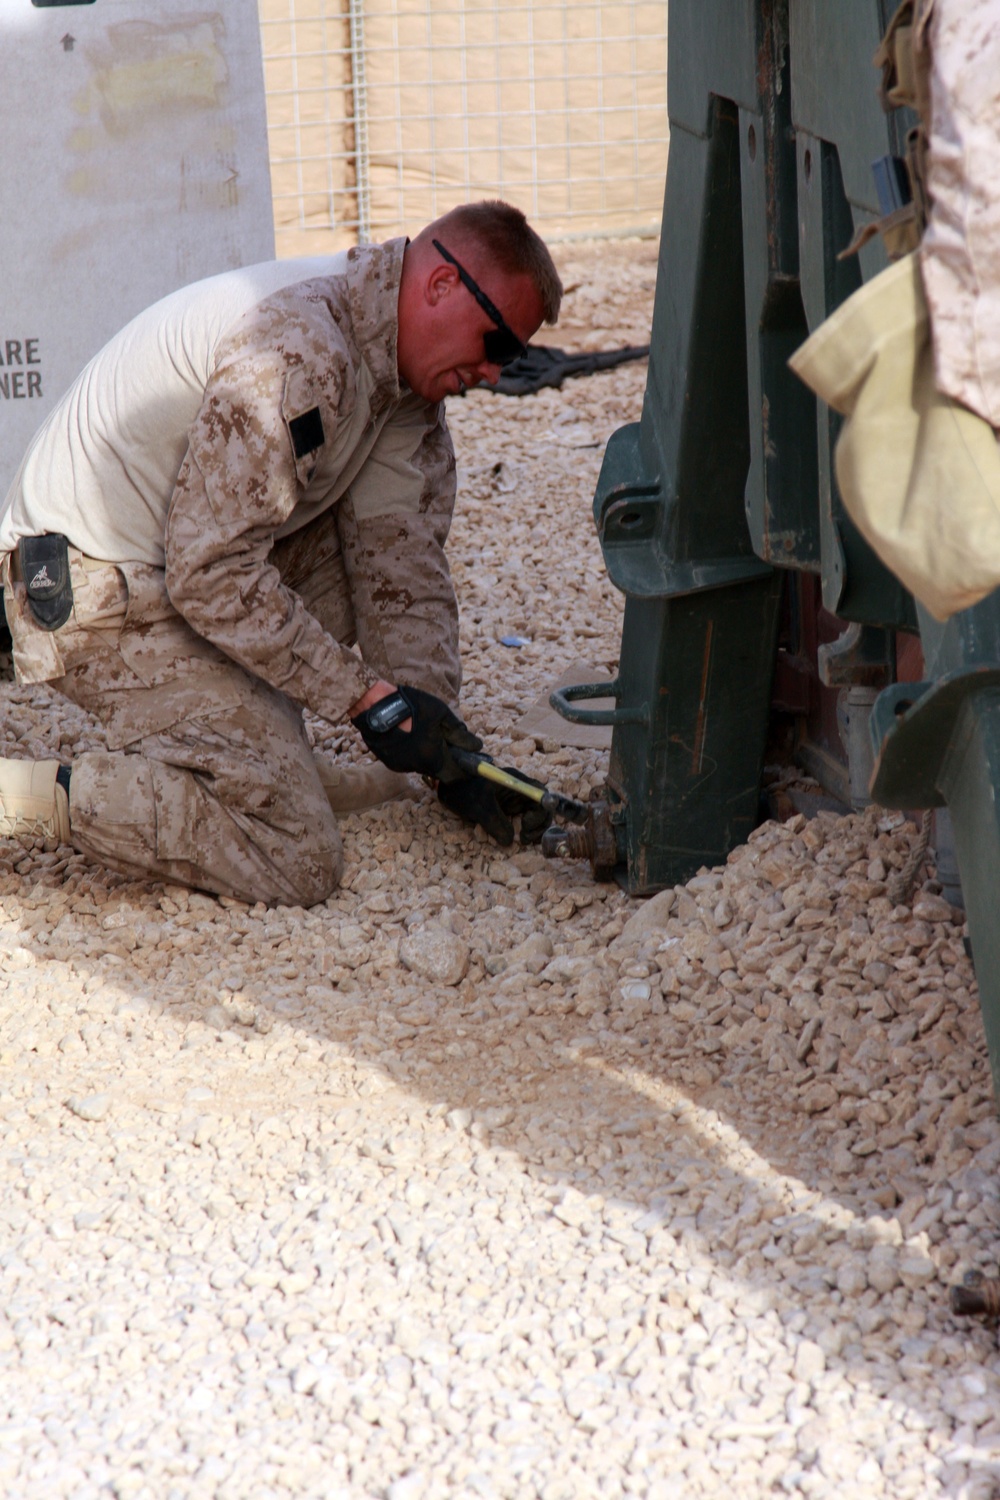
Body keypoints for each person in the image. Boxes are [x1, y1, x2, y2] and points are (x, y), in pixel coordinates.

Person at [0, 200, 563, 906]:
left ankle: (251, 753)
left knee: (358, 548)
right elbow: (211, 575)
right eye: (499, 344)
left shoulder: (402, 380)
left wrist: (438, 743)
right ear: (442, 285)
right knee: (296, 852)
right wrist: (361, 698)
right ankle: (28, 795)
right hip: (89, 588)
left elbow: (400, 568)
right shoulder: (302, 352)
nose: (495, 372)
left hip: (172, 564)